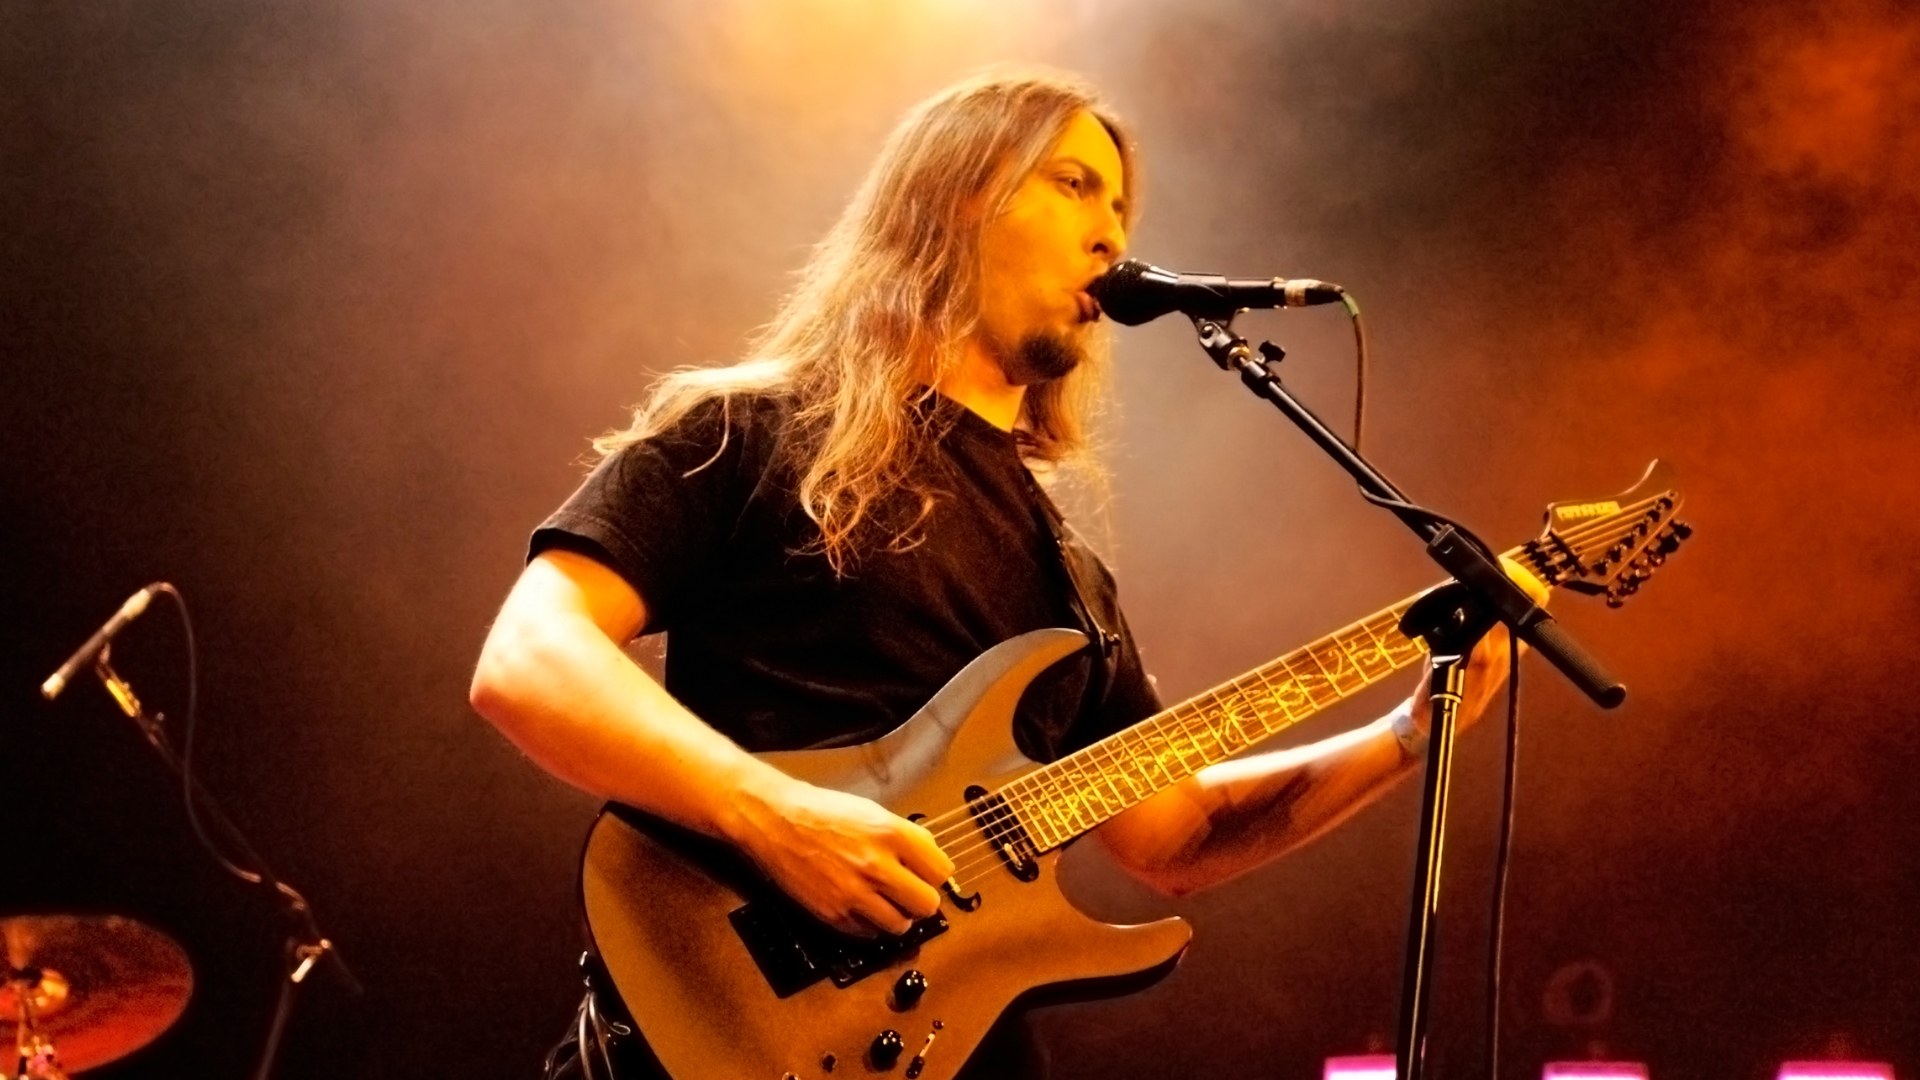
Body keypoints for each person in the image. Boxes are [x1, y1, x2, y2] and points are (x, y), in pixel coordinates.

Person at [469, 69, 1544, 1080]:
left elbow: (1176, 836)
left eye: (1120, 205)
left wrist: (1410, 729)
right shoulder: (752, 433)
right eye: (1073, 184)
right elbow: (529, 662)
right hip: (705, 1022)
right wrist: (776, 819)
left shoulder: (1069, 576)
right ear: (951, 203)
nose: (1112, 231)